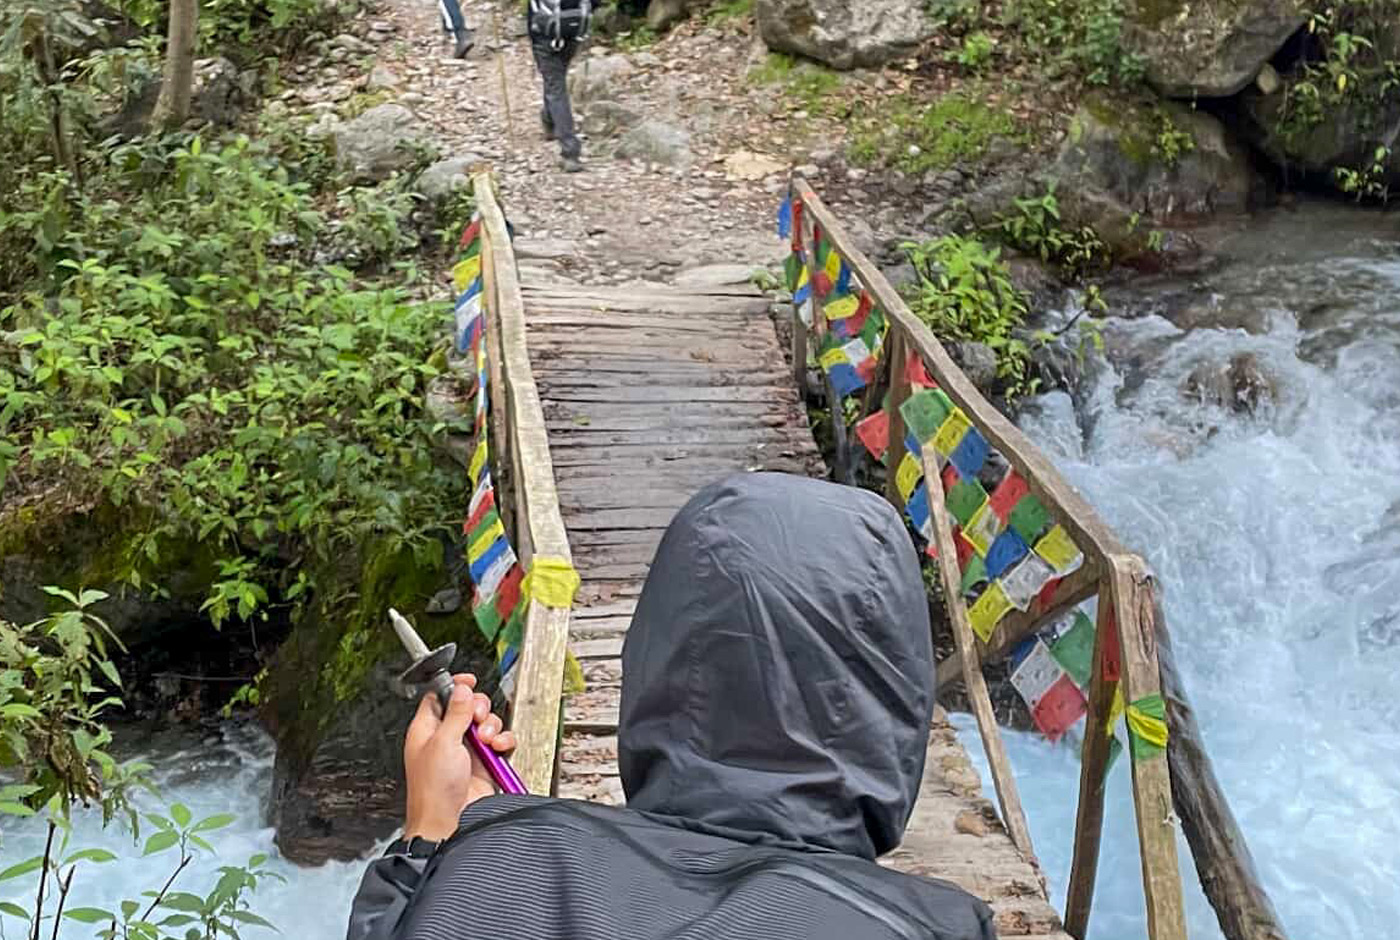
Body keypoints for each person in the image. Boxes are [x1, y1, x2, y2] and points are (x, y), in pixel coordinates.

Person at [348, 473, 997, 940]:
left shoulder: (486, 863)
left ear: (653, 654)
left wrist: (431, 840)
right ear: (898, 700)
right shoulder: (937, 926)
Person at [527, 1, 587, 173]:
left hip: (544, 33)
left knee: (555, 86)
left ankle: (570, 151)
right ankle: (548, 119)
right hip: (574, 30)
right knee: (555, 81)